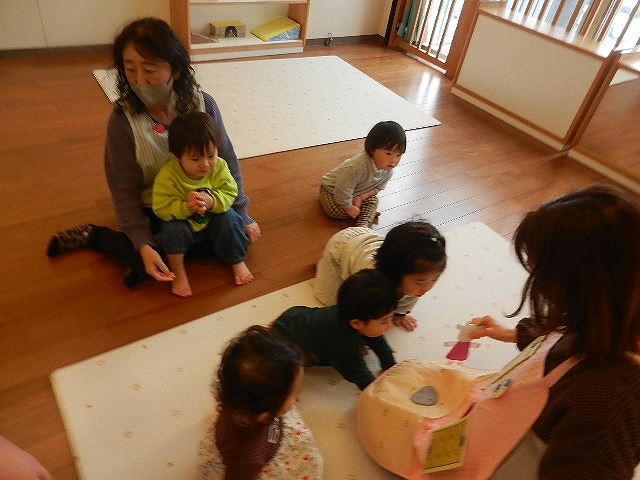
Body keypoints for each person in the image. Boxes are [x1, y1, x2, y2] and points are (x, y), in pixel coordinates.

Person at [46, 17, 261, 288]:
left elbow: (226, 161)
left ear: (176, 70)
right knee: (159, 250)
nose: (139, 80)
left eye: (150, 70)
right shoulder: (123, 121)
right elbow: (123, 191)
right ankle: (96, 236)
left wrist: (242, 214)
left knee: (236, 237)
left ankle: (145, 258)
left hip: (205, 200)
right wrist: (143, 242)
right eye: (130, 70)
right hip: (160, 209)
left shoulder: (203, 104)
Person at [466, 184, 640, 479]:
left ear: (576, 285)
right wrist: (510, 334)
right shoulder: (611, 314)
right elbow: (560, 340)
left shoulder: (607, 404)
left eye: (538, 271)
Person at [198, 325, 323, 480]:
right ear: (265, 415)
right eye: (294, 394)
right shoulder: (248, 457)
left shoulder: (235, 391)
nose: (298, 397)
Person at [152, 112, 252, 296]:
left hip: (213, 218)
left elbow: (231, 191)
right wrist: (186, 207)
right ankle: (179, 271)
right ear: (177, 155)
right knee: (171, 232)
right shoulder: (168, 175)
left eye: (211, 155)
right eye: (196, 159)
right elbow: (160, 207)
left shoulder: (219, 166)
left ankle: (237, 260)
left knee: (231, 220)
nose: (205, 164)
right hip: (184, 223)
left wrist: (213, 201)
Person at [271, 268, 399, 390]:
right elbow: (361, 376)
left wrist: (389, 366)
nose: (390, 325)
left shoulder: (353, 315)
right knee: (291, 371)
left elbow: (377, 339)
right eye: (384, 321)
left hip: (295, 317)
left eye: (390, 318)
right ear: (356, 323)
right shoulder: (344, 344)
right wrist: (380, 392)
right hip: (285, 343)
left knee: (366, 337)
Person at [312, 220, 446, 332]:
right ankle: (325, 263)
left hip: (368, 241)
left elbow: (409, 297)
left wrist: (400, 314)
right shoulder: (370, 283)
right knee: (332, 303)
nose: (427, 287)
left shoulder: (412, 277)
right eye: (420, 282)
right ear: (396, 273)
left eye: (435, 279)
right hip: (342, 245)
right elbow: (356, 309)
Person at [319, 120, 406, 228]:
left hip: (355, 192)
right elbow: (342, 189)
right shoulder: (357, 167)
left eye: (399, 155)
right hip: (332, 191)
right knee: (334, 211)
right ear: (372, 149)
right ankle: (362, 213)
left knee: (373, 201)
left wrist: (361, 197)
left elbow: (377, 188)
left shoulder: (388, 171)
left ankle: (362, 225)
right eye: (388, 153)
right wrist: (348, 207)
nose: (393, 160)